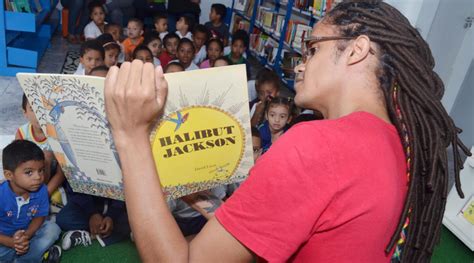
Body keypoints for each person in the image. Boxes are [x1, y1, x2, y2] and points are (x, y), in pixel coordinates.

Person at [103, 0, 471, 261]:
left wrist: (131, 134)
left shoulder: (316, 145)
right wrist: (214, 207)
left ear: (356, 50)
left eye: (311, 49)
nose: (299, 65)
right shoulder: (399, 142)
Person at [0, 140, 61, 262]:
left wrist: (27, 235)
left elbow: (40, 216)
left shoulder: (42, 190)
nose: (38, 177)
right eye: (29, 172)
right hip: (3, 239)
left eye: (41, 170)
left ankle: (24, 260)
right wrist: (11, 242)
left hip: (28, 236)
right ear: (9, 175)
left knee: (53, 229)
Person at [16, 95, 66, 198]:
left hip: (48, 178)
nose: (39, 114)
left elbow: (61, 173)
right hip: (27, 178)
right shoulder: (22, 133)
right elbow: (16, 164)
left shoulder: (57, 134)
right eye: (33, 109)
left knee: (45, 155)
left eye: (43, 108)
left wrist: (45, 194)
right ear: (24, 112)